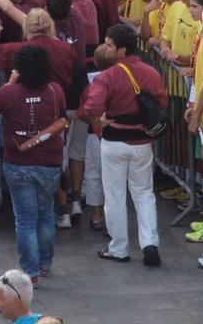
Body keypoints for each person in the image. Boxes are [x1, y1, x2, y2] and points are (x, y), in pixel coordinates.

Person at [78, 23, 166, 267]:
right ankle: (150, 243)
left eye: (108, 45)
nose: (104, 49)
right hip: (142, 143)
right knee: (144, 193)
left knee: (115, 196)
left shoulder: (108, 76)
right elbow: (161, 101)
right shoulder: (152, 73)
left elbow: (91, 108)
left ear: (122, 50)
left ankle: (119, 248)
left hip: (114, 142)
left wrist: (100, 120)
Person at [0, 44, 67, 283]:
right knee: (45, 214)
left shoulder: (8, 93)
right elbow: (61, 114)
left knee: (25, 218)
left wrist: (9, 85)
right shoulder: (56, 91)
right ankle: (44, 264)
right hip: (50, 162)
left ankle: (30, 271)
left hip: (18, 162)